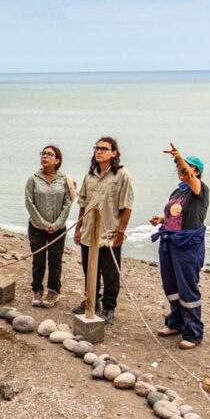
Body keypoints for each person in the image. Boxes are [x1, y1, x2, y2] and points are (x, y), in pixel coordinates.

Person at [149, 144, 209, 349]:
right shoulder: (178, 191)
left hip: (188, 245)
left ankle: (193, 333)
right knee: (171, 287)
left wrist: (179, 157)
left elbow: (189, 176)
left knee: (187, 288)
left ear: (197, 171)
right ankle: (176, 323)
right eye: (181, 166)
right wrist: (162, 220)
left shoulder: (199, 188)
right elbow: (176, 216)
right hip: (170, 242)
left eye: (186, 167)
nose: (181, 170)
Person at [73, 137, 134, 323]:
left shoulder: (122, 176)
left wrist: (121, 232)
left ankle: (109, 307)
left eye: (104, 148)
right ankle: (91, 300)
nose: (99, 151)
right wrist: (78, 227)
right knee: (89, 270)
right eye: (97, 148)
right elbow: (83, 203)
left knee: (110, 274)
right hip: (88, 232)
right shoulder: (89, 176)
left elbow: (127, 206)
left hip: (109, 233)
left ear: (114, 153)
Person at [25, 145, 73, 308]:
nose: (45, 156)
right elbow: (29, 203)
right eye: (43, 153)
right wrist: (44, 224)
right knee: (38, 259)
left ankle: (53, 291)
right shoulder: (33, 179)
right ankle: (37, 289)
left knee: (55, 261)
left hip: (58, 229)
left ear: (57, 160)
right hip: (37, 227)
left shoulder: (64, 179)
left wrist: (57, 224)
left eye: (49, 154)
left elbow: (68, 202)